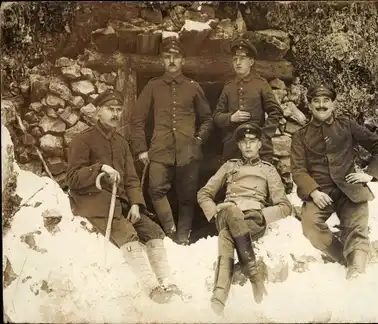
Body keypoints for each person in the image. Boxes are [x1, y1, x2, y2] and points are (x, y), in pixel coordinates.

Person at [66, 90, 177, 304]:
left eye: (118, 110)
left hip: (122, 204)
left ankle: (168, 282)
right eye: (110, 109)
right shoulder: (83, 140)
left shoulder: (121, 142)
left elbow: (132, 180)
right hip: (95, 204)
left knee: (153, 231)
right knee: (128, 234)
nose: (115, 114)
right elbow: (72, 178)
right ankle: (152, 289)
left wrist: (136, 204)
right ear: (98, 111)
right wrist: (100, 169)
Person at [290, 84, 378, 280]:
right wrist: (314, 192)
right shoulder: (300, 136)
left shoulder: (347, 125)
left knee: (357, 227)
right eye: (316, 101)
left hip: (350, 189)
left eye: (326, 101)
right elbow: (298, 170)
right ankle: (345, 259)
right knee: (310, 226)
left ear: (333, 104)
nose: (321, 105)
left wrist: (370, 173)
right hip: (321, 192)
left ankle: (357, 271)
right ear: (309, 105)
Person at [197, 123, 293, 315]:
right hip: (227, 214)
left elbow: (285, 206)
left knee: (226, 236)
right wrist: (215, 210)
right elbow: (204, 193)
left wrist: (262, 216)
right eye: (243, 142)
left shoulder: (268, 170)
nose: (248, 146)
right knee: (232, 211)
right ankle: (255, 276)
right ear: (239, 145)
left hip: (253, 219)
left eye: (252, 141)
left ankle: (218, 300)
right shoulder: (229, 166)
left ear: (259, 144)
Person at [129, 38, 213, 245]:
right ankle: (170, 232)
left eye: (176, 57)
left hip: (188, 152)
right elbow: (137, 119)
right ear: (162, 61)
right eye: (168, 57)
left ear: (183, 60)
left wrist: (199, 140)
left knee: (187, 197)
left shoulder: (193, 87)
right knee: (155, 190)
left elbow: (208, 119)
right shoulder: (153, 86)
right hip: (160, 150)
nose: (172, 61)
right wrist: (141, 150)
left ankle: (183, 237)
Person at [213, 37, 283, 164]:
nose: (238, 63)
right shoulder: (228, 86)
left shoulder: (261, 84)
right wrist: (230, 118)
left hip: (258, 146)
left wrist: (264, 136)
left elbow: (276, 111)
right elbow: (217, 116)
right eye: (235, 59)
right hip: (233, 146)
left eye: (242, 59)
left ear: (251, 61)